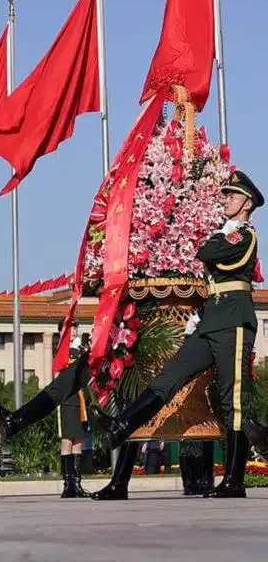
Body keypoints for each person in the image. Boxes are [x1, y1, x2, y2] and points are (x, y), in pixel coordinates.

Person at [95, 170, 262, 499]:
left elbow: (208, 253)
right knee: (170, 375)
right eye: (225, 194)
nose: (225, 199)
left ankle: (233, 481)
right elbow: (209, 253)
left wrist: (215, 238)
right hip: (211, 319)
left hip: (233, 320)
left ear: (248, 204)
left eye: (232, 195)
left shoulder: (244, 236)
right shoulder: (224, 233)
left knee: (234, 401)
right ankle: (122, 426)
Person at [0, 328, 91, 498]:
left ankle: (14, 421)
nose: (73, 331)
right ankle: (70, 485)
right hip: (68, 395)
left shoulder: (83, 346)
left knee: (77, 439)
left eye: (75, 328)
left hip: (79, 395)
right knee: (67, 435)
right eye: (69, 328)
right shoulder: (66, 348)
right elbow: (61, 368)